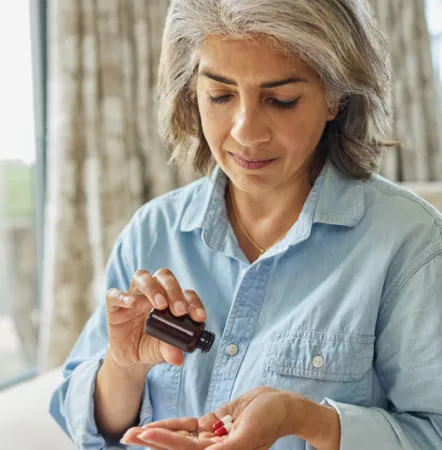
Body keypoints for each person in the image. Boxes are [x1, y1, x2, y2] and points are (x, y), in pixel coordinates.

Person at [50, 0, 442, 449]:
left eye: (281, 100)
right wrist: (123, 366)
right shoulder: (152, 231)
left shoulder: (410, 245)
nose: (246, 131)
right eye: (220, 95)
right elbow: (88, 426)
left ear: (335, 96)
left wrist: (306, 419)